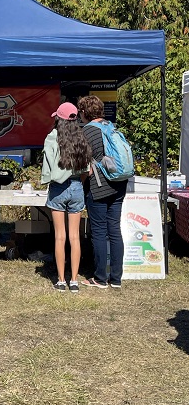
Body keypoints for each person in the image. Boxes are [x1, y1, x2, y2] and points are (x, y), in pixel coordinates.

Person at [78, 95, 129, 289]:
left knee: (98, 231)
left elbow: (86, 168)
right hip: (119, 184)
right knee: (114, 230)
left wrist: (81, 185)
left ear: (84, 112)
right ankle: (116, 279)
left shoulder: (88, 131)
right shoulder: (111, 127)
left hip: (99, 186)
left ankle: (100, 278)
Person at [41, 102, 92, 292]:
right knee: (75, 237)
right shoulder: (81, 138)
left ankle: (61, 280)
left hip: (57, 189)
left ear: (59, 119)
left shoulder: (52, 137)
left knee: (59, 237)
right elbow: (88, 170)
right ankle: (75, 281)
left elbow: (47, 167)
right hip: (77, 186)